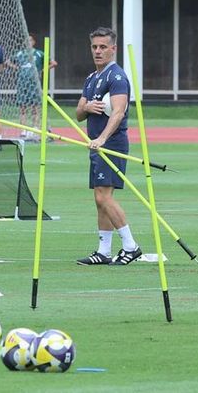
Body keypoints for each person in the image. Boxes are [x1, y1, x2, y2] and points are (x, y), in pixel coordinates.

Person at [75, 27, 141, 266]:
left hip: (110, 143)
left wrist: (102, 138)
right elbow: (79, 113)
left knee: (104, 197)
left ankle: (131, 246)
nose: (98, 51)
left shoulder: (117, 77)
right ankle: (103, 251)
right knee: (99, 197)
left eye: (103, 47)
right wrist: (87, 108)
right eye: (94, 47)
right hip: (96, 145)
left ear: (113, 49)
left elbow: (119, 112)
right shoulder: (91, 78)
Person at [7, 34, 57, 140]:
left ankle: (35, 128)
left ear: (34, 42)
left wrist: (43, 70)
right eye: (27, 40)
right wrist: (17, 68)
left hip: (34, 84)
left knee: (35, 107)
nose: (28, 42)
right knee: (22, 107)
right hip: (22, 83)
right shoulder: (20, 54)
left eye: (30, 40)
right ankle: (23, 130)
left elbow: (53, 63)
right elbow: (8, 62)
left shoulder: (39, 53)